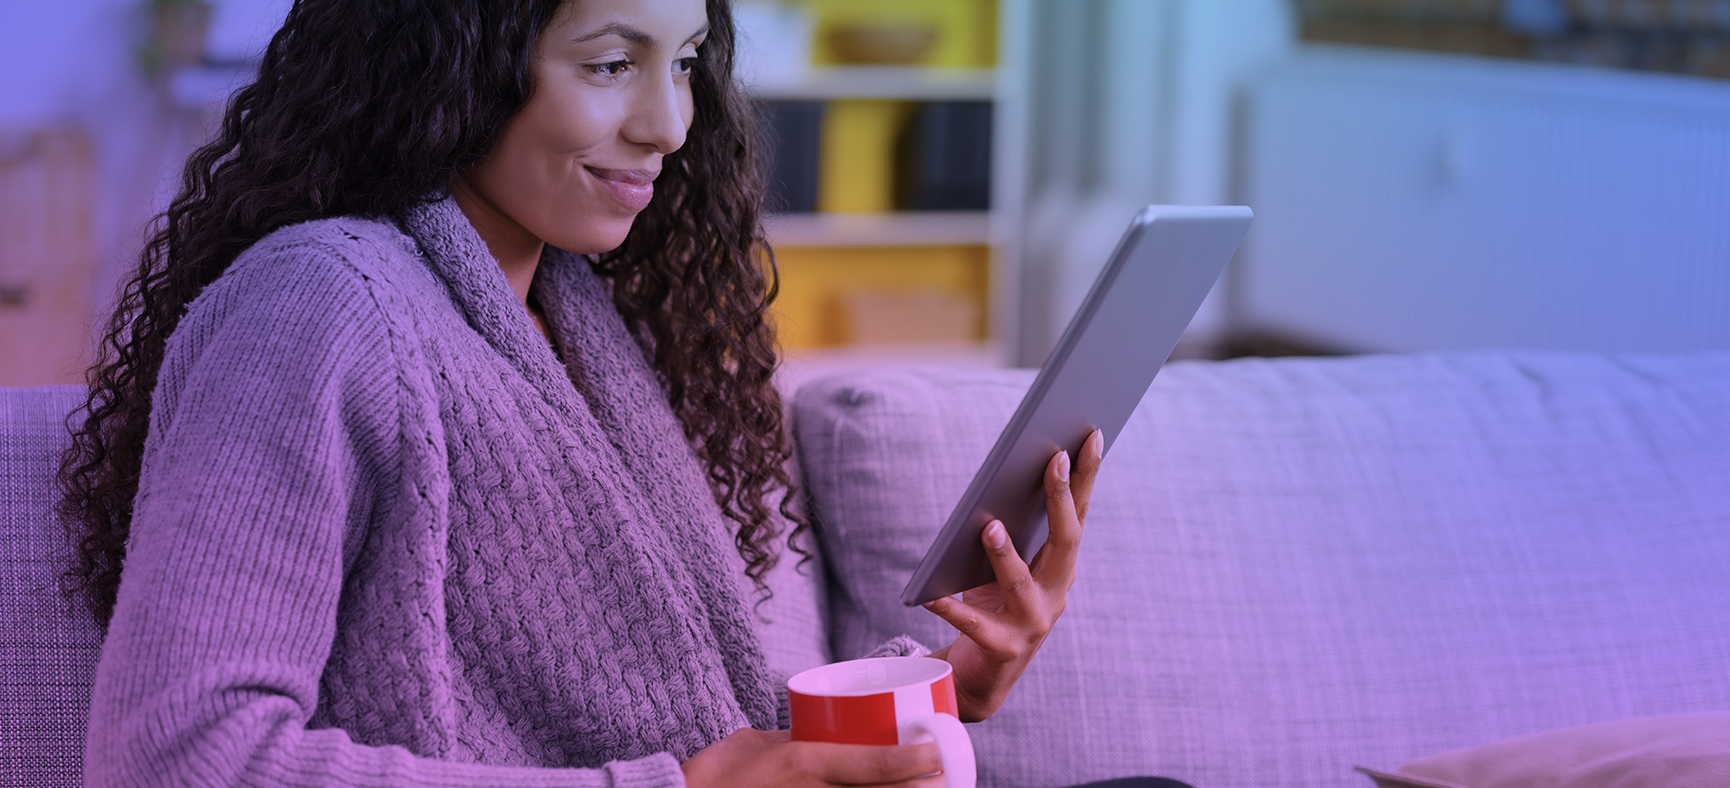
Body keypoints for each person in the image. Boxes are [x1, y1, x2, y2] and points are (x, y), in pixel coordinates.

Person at [60, 0, 1183, 786]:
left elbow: (700, 741)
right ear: (453, 61)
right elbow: (178, 758)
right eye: (610, 64)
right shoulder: (319, 299)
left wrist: (938, 688)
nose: (669, 123)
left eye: (685, 59)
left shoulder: (583, 316)